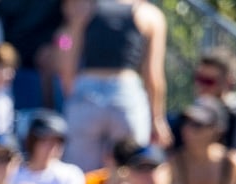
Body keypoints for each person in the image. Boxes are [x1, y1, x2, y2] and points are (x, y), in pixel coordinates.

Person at [62, 0, 166, 173]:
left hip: (86, 93)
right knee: (129, 173)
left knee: (79, 176)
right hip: (127, 94)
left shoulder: (84, 9)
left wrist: (73, 95)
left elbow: (66, 55)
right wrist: (157, 119)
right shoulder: (150, 15)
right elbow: (153, 75)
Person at [174, 98, 236, 184]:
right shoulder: (175, 162)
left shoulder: (232, 162)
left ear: (217, 130)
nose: (187, 129)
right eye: (186, 122)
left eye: (197, 125)